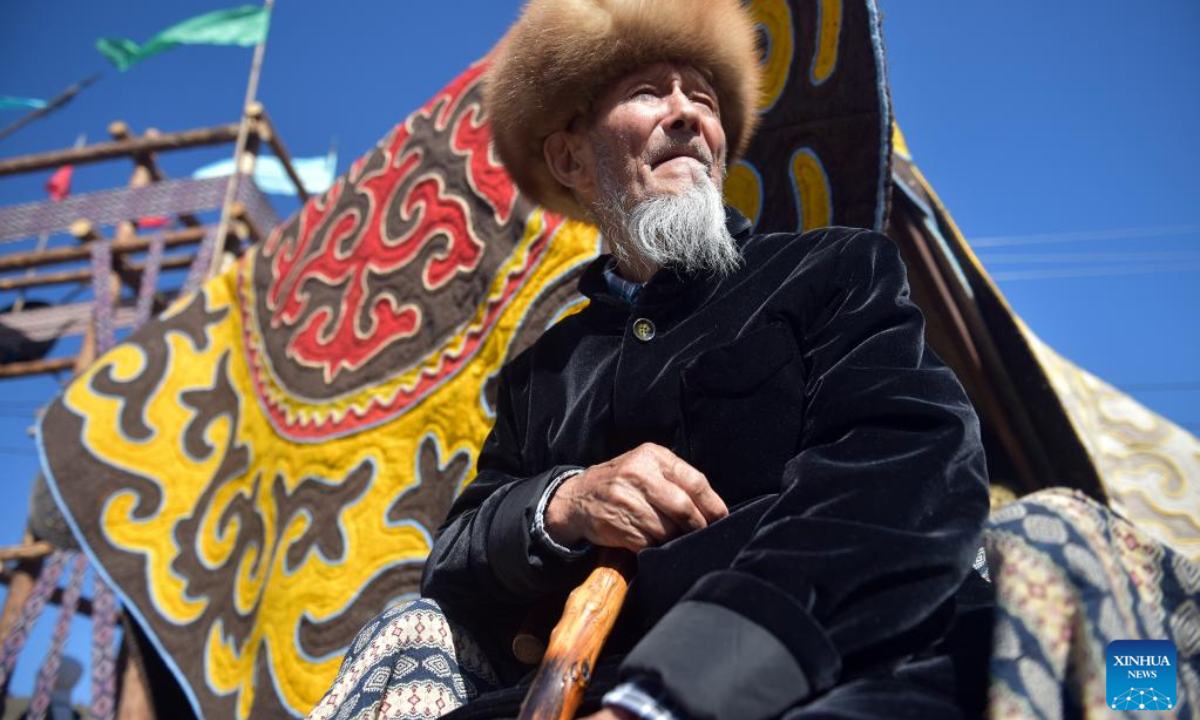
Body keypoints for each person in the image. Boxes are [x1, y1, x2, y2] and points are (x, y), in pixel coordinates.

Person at [307, 1, 991, 718]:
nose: (688, 115)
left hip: (810, 668)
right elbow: (457, 563)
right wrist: (565, 502)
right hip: (572, 687)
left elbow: (902, 469)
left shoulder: (833, 269)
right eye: (647, 92)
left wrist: (676, 689)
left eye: (703, 98)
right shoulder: (542, 374)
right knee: (406, 628)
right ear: (570, 158)